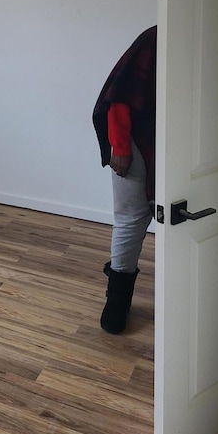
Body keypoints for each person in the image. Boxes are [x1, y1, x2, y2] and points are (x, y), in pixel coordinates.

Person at [92, 25, 157, 334]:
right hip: (138, 143)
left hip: (185, 143)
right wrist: (119, 146)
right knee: (131, 218)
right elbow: (120, 96)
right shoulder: (155, 38)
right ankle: (117, 301)